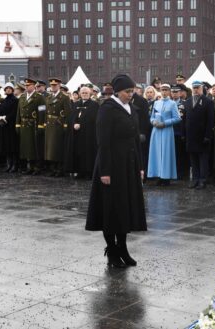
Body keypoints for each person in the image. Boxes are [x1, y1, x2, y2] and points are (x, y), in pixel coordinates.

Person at [85, 74, 147, 268]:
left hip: (129, 165)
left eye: (133, 91)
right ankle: (112, 251)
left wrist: (140, 166)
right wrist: (105, 171)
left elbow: (135, 140)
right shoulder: (107, 109)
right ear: (118, 91)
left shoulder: (132, 109)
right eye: (128, 91)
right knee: (111, 209)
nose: (131, 94)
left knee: (124, 209)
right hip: (111, 166)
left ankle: (123, 248)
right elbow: (103, 141)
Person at [182, 80, 215, 189]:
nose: (195, 90)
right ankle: (195, 179)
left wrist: (207, 136)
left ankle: (203, 180)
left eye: (197, 88)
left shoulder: (208, 102)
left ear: (202, 88)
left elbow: (211, 120)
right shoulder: (187, 102)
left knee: (203, 160)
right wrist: (184, 134)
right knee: (193, 160)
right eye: (194, 88)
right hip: (191, 136)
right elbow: (184, 119)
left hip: (202, 136)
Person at [148, 83, 181, 185]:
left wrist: (165, 123)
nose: (164, 92)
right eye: (162, 90)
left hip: (166, 131)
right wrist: (153, 122)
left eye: (166, 90)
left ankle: (166, 177)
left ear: (169, 91)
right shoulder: (156, 103)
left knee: (166, 153)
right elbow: (152, 116)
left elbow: (177, 118)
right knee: (157, 153)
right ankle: (158, 175)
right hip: (156, 130)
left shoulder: (172, 103)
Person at [16, 78, 47, 175]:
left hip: (33, 125)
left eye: (28, 85)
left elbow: (42, 112)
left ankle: (37, 167)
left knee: (34, 147)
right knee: (26, 147)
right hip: (24, 125)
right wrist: (17, 124)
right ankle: (30, 166)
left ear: (34, 86)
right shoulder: (22, 97)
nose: (26, 87)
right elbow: (19, 112)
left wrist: (41, 125)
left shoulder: (39, 97)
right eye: (25, 85)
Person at [44, 78, 72, 177]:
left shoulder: (64, 97)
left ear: (59, 85)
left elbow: (68, 113)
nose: (53, 86)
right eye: (52, 85)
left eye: (55, 85)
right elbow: (45, 111)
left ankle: (59, 169)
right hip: (49, 124)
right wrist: (44, 123)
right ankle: (53, 168)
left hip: (58, 124)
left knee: (57, 148)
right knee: (50, 148)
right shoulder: (48, 97)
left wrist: (64, 125)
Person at [70, 85, 99, 179]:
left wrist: (82, 125)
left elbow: (93, 119)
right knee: (78, 152)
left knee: (88, 153)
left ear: (90, 93)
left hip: (89, 134)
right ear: (79, 94)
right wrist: (74, 123)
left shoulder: (94, 105)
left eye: (86, 93)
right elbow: (72, 117)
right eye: (83, 93)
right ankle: (79, 172)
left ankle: (88, 172)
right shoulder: (75, 104)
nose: (84, 94)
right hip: (77, 134)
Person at [0, 83, 19, 172]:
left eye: (10, 88)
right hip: (4, 126)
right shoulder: (4, 100)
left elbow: (14, 112)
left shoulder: (15, 100)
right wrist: (0, 117)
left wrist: (6, 117)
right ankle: (9, 164)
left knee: (13, 146)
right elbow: (1, 111)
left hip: (11, 126)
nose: (8, 90)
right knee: (6, 146)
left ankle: (15, 165)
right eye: (6, 88)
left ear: (12, 90)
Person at [171, 84, 188, 181]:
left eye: (176, 92)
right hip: (170, 132)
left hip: (180, 132)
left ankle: (181, 172)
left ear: (180, 93)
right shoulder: (168, 103)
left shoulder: (185, 103)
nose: (175, 94)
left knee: (181, 154)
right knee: (172, 154)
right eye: (173, 92)